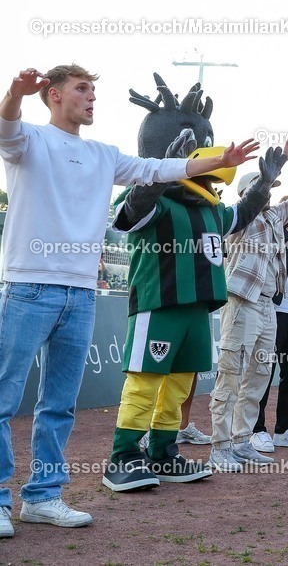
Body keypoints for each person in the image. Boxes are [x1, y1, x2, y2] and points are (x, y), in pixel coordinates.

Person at [0, 66, 256, 534]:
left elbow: (158, 170)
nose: (92, 97)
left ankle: (43, 496)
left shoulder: (104, 154)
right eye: (82, 89)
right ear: (53, 95)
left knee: (58, 405)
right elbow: (5, 128)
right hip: (29, 285)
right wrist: (15, 92)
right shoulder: (30, 139)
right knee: (3, 397)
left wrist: (216, 162)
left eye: (94, 90)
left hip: (81, 293)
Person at [102, 72, 267, 492]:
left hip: (199, 309)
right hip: (159, 304)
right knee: (144, 382)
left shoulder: (210, 209)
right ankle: (122, 457)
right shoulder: (151, 200)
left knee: (177, 386)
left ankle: (163, 451)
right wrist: (161, 173)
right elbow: (127, 217)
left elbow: (241, 215)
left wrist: (265, 183)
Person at [206, 143, 288, 471]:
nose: (270, 194)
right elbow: (269, 200)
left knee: (258, 375)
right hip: (241, 302)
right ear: (250, 192)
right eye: (264, 188)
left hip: (266, 306)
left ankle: (241, 441)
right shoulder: (241, 219)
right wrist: (271, 177)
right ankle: (219, 448)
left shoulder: (272, 218)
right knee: (230, 375)